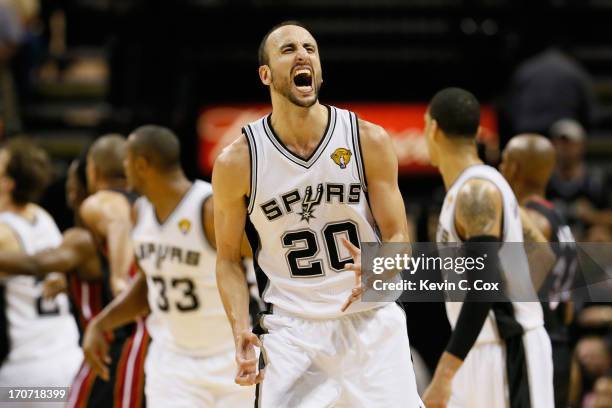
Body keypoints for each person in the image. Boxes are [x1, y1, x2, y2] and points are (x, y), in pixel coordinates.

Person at [213, 21, 422, 407]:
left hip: (371, 322)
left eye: (310, 48)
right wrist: (240, 328)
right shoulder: (238, 161)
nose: (303, 55)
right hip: (292, 331)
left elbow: (398, 240)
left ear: (320, 70)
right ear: (266, 74)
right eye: (288, 49)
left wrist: (380, 267)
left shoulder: (367, 140)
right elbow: (226, 259)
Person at [82, 125, 254, 407]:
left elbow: (269, 264)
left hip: (232, 357)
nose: (124, 169)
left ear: (142, 164)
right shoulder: (141, 212)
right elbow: (149, 283)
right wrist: (101, 324)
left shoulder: (209, 208)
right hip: (173, 364)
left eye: (127, 161)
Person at [421, 88, 554, 408]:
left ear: (433, 128)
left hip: (505, 349)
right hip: (479, 346)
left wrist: (443, 374)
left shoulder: (476, 192)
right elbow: (543, 253)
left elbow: (483, 288)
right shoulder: (485, 184)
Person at [500, 133, 578, 408]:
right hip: (559, 344)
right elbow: (567, 308)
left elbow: (521, 291)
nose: (500, 166)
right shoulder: (556, 218)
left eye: (505, 160)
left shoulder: (530, 221)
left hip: (537, 349)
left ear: (514, 167)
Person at [0, 138, 81, 389]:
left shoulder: (3, 232)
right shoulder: (42, 217)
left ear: (7, 183)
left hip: (26, 374)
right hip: (69, 358)